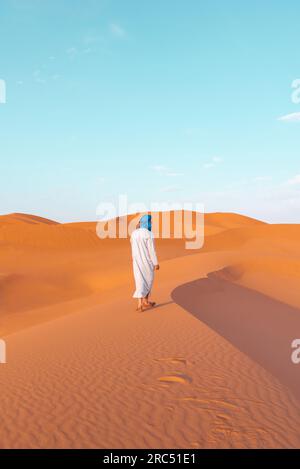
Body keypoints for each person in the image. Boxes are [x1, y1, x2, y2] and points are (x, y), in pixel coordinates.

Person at [130, 214, 160, 312]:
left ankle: (142, 303)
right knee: (148, 281)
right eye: (150, 221)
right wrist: (156, 263)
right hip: (147, 261)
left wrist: (137, 228)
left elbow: (132, 244)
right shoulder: (149, 234)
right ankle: (143, 303)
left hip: (136, 261)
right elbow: (152, 250)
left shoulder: (134, 234)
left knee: (139, 281)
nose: (151, 223)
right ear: (146, 223)